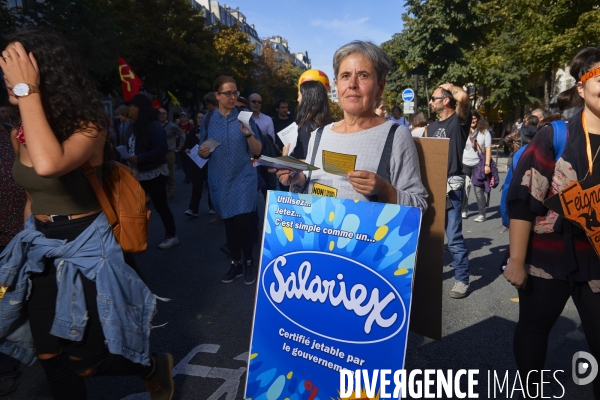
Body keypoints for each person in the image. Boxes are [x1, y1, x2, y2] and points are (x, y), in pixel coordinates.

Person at [0, 28, 173, 400]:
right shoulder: (20, 131)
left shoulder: (88, 125)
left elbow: (49, 165)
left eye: (14, 71)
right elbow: (34, 191)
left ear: (41, 72)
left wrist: (26, 92)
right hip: (41, 250)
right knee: (49, 355)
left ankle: (153, 366)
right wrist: (28, 236)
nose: (7, 79)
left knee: (86, 360)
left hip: (88, 250)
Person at [504, 46, 600, 398]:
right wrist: (516, 260)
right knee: (533, 331)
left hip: (596, 263)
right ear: (581, 88)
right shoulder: (555, 135)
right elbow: (523, 201)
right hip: (547, 257)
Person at [275, 41, 427, 211]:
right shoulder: (319, 135)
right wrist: (298, 181)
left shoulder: (396, 135)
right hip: (321, 236)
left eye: (363, 75)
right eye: (345, 76)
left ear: (380, 87)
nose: (352, 84)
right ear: (337, 85)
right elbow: (309, 193)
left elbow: (419, 205)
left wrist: (385, 190)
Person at [199, 76, 262, 285]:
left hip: (243, 177)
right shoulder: (209, 120)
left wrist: (247, 135)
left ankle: (249, 262)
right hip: (219, 178)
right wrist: (203, 152)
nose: (233, 97)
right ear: (217, 95)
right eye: (228, 93)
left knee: (243, 222)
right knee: (229, 223)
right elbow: (201, 150)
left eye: (235, 92)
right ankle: (235, 263)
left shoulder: (245, 117)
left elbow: (257, 151)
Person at [428, 82, 472, 298]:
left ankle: (462, 280)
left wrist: (451, 86)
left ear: (445, 100)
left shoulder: (459, 121)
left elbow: (463, 98)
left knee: (453, 236)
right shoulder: (432, 126)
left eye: (433, 98)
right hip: (433, 184)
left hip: (452, 184)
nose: (430, 102)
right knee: (432, 235)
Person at [126, 95, 178, 249]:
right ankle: (138, 238)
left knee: (160, 206)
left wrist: (140, 158)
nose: (129, 109)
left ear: (139, 108)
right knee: (137, 207)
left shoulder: (154, 126)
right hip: (139, 173)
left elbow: (161, 149)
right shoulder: (134, 126)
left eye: (131, 106)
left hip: (154, 173)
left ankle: (172, 235)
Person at [0, 108, 24, 396]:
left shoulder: (12, 137)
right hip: (18, 240)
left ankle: (6, 366)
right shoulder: (12, 137)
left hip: (12, 242)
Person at [461, 111, 492, 222]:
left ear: (478, 119)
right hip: (464, 162)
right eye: (470, 118)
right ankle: (463, 210)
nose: (472, 120)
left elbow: (488, 149)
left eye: (474, 118)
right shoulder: (463, 131)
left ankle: (482, 214)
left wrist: (487, 165)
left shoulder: (484, 132)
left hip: (478, 164)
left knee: (478, 189)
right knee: (464, 188)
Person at [183, 112, 213, 217]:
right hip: (196, 162)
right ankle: (193, 209)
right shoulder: (192, 131)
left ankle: (213, 206)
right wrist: (186, 148)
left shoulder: (210, 131)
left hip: (208, 162)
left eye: (202, 117)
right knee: (196, 185)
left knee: (211, 185)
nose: (200, 119)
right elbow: (187, 143)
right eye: (198, 118)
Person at [294, 80, 332, 160]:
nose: (297, 100)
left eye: (299, 96)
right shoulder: (331, 122)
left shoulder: (307, 126)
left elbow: (309, 160)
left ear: (307, 97)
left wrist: (286, 158)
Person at [158, 108, 185, 199]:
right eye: (160, 113)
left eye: (164, 113)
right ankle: (160, 190)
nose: (162, 115)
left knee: (170, 172)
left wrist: (180, 146)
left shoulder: (172, 126)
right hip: (157, 153)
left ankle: (170, 190)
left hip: (169, 152)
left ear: (166, 115)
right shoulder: (156, 126)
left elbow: (182, 134)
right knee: (158, 173)